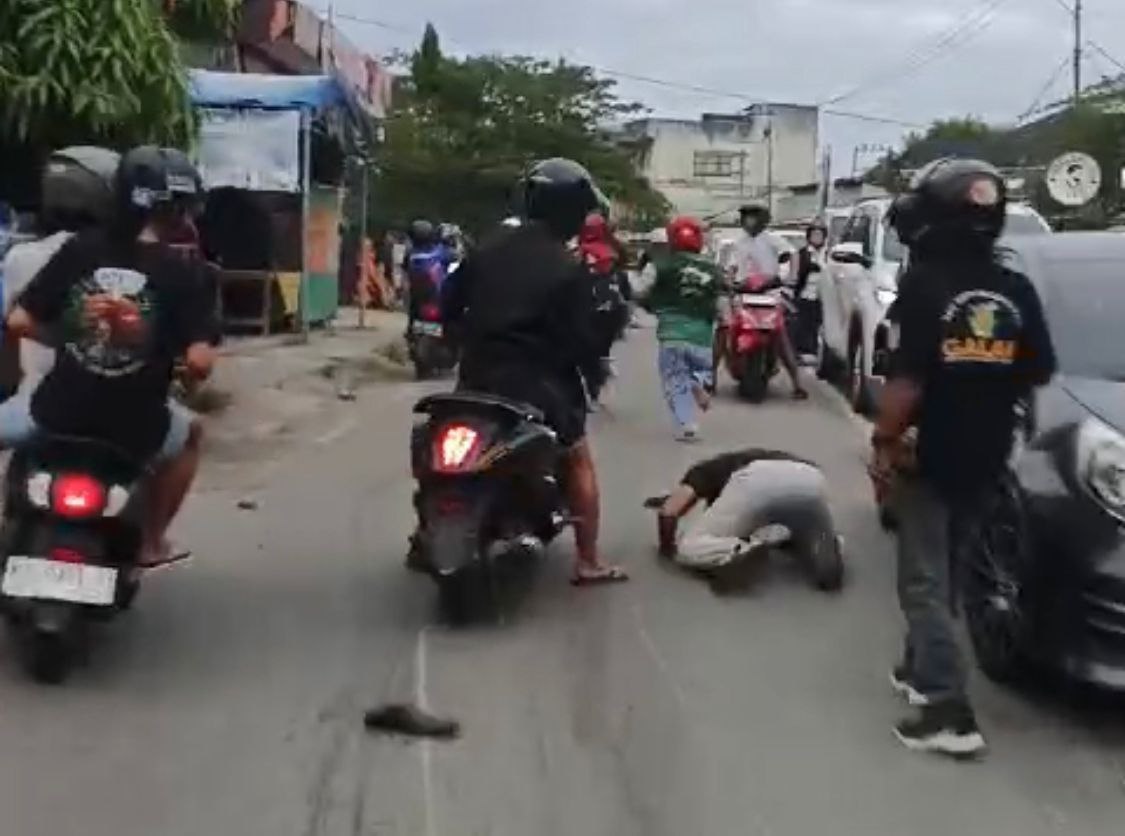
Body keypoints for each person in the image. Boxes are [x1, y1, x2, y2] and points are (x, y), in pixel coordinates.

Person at [869, 158, 1056, 758]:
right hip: (989, 451)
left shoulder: (924, 287)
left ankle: (950, 710)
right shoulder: (1015, 288)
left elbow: (906, 383)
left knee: (922, 582)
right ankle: (921, 668)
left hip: (930, 454)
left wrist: (883, 442)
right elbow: (1038, 371)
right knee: (949, 570)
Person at [4, 146, 217, 568]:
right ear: (179, 213)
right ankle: (151, 544)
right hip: (136, 431)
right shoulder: (188, 274)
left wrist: (73, 333)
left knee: (18, 445)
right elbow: (199, 364)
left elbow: (18, 322)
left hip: (56, 413)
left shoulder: (80, 250)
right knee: (190, 435)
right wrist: (160, 351)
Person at [442, 158, 627, 586]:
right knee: (577, 456)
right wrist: (589, 364)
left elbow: (448, 305)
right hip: (538, 388)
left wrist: (464, 341)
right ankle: (588, 560)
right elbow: (583, 339)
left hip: (476, 378)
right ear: (574, 212)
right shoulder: (567, 267)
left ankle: (422, 535)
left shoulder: (486, 248)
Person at [2, 147, 121, 402]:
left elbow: (11, 342)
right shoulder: (119, 257)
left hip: (29, 399)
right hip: (103, 407)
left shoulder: (19, 256)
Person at [649, 448, 839, 582]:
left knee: (689, 546)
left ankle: (740, 548)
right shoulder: (779, 458)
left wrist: (667, 549)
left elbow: (669, 512)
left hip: (756, 479)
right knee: (802, 527)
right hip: (812, 477)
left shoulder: (706, 470)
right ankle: (827, 548)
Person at [635, 216, 721, 441]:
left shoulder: (660, 265)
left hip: (672, 333)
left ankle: (687, 424)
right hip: (702, 333)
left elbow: (638, 291)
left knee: (674, 379)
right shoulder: (712, 268)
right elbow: (721, 301)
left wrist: (649, 305)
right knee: (701, 367)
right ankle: (697, 383)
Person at [720, 204, 807, 399]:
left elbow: (792, 256)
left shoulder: (774, 240)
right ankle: (711, 379)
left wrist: (790, 277)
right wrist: (728, 283)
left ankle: (797, 383)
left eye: (753, 217)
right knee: (724, 329)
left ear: (763, 220)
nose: (749, 221)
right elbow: (731, 267)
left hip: (770, 294)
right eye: (746, 217)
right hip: (743, 294)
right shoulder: (738, 243)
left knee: (781, 335)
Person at [404, 219, 448, 337]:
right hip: (436, 296)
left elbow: (405, 269)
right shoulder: (438, 252)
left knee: (413, 306)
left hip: (419, 297)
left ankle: (411, 331)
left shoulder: (411, 254)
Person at [792, 218, 829, 357]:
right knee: (803, 323)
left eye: (820, 234)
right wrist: (808, 268)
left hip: (825, 295)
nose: (817, 237)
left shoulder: (829, 253)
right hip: (806, 294)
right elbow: (796, 274)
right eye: (814, 234)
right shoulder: (802, 253)